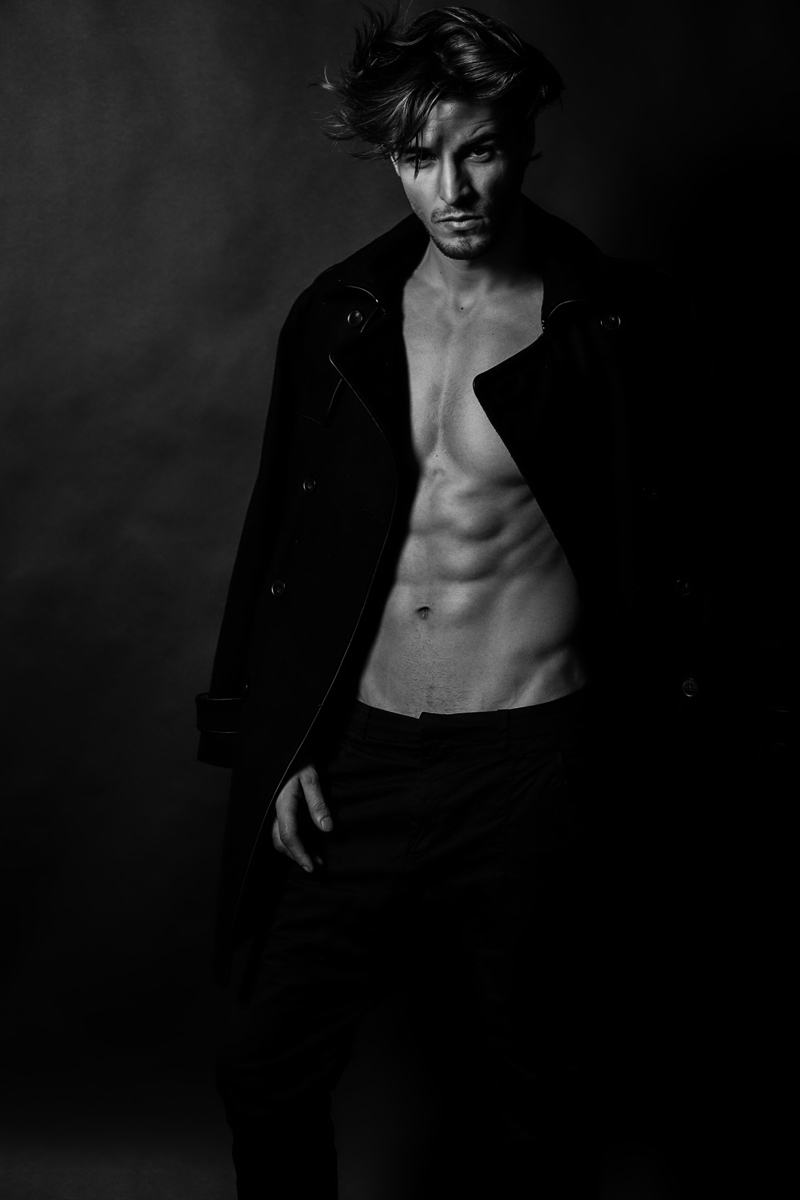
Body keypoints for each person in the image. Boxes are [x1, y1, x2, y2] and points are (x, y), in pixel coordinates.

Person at [196, 6, 705, 1197]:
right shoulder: (340, 316)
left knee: (542, 1087)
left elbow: (695, 546)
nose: (451, 189)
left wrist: (667, 739)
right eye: (418, 157)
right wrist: (277, 743)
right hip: (361, 753)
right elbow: (279, 537)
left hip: (530, 759)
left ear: (521, 141)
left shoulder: (608, 327)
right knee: (263, 1061)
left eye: (476, 150)